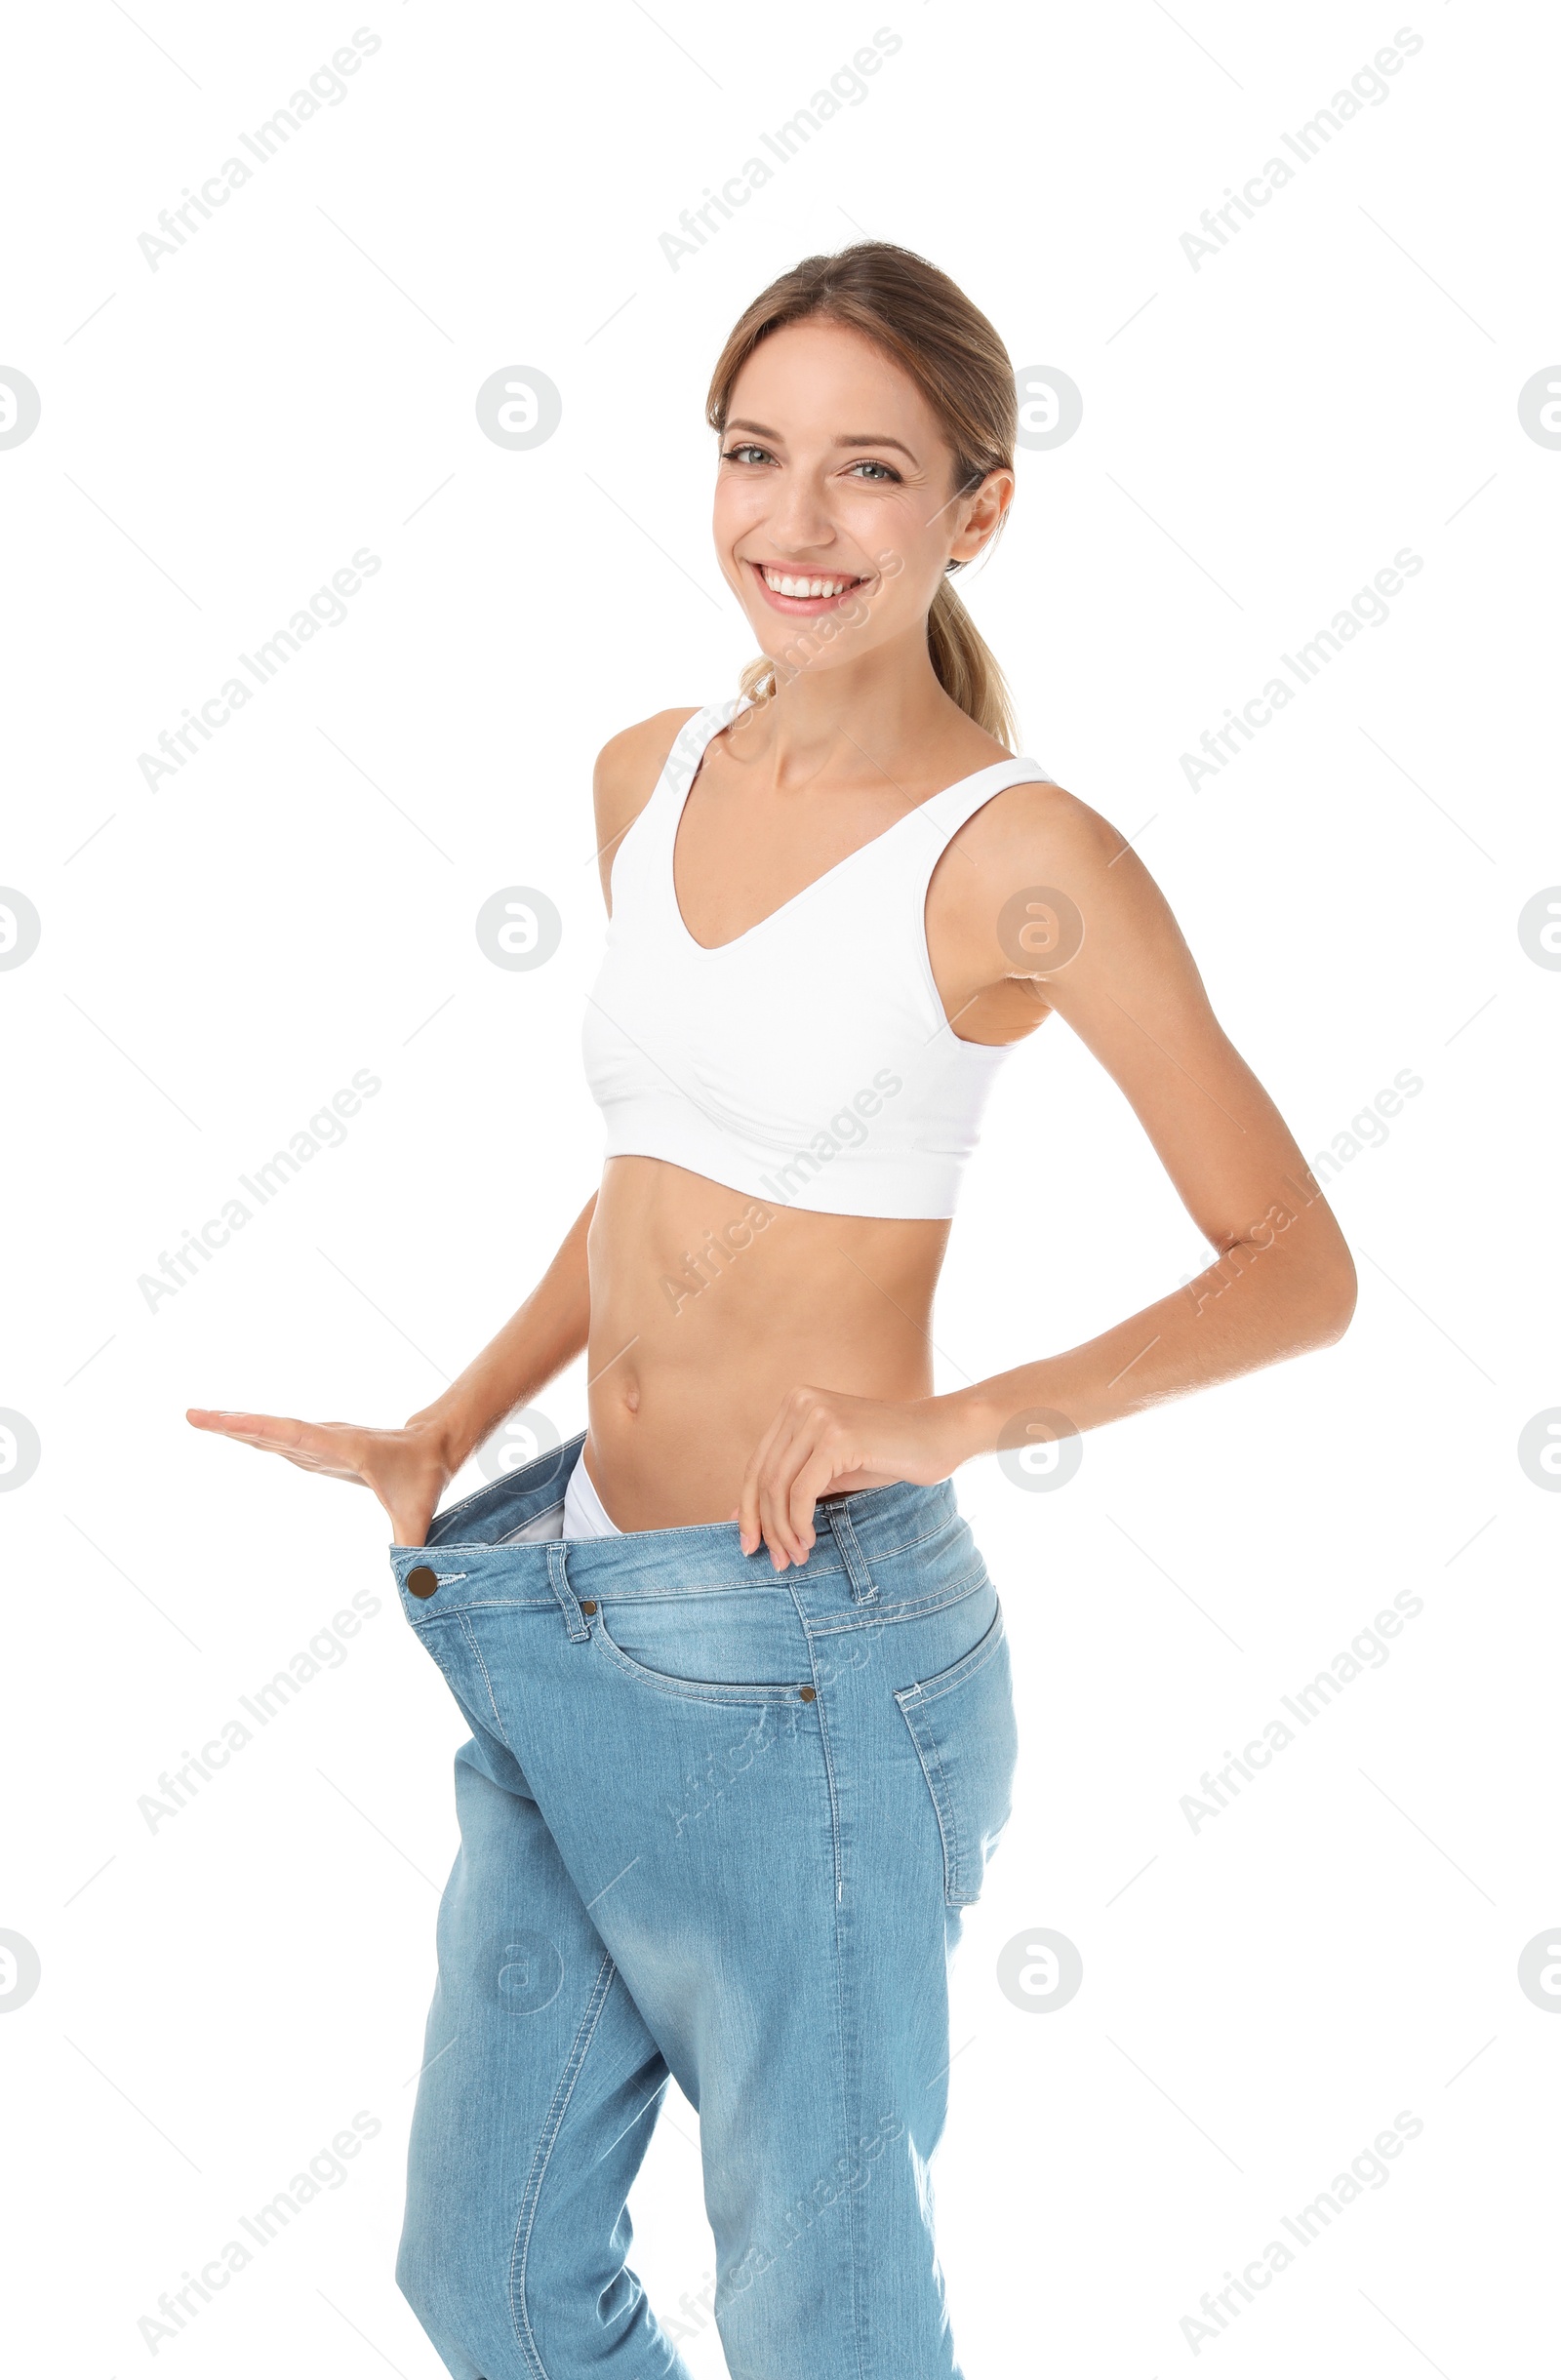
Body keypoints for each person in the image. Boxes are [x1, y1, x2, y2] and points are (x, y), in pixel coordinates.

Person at [189, 242, 1355, 2379]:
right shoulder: (647, 768)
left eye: (866, 473)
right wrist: (455, 1410)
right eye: (752, 455)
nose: (790, 526)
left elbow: (1296, 1261)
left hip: (809, 1653)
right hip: (564, 1593)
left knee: (826, 2324)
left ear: (973, 510)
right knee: (494, 2277)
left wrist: (953, 1413)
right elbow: (666, 1173)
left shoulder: (1021, 856)